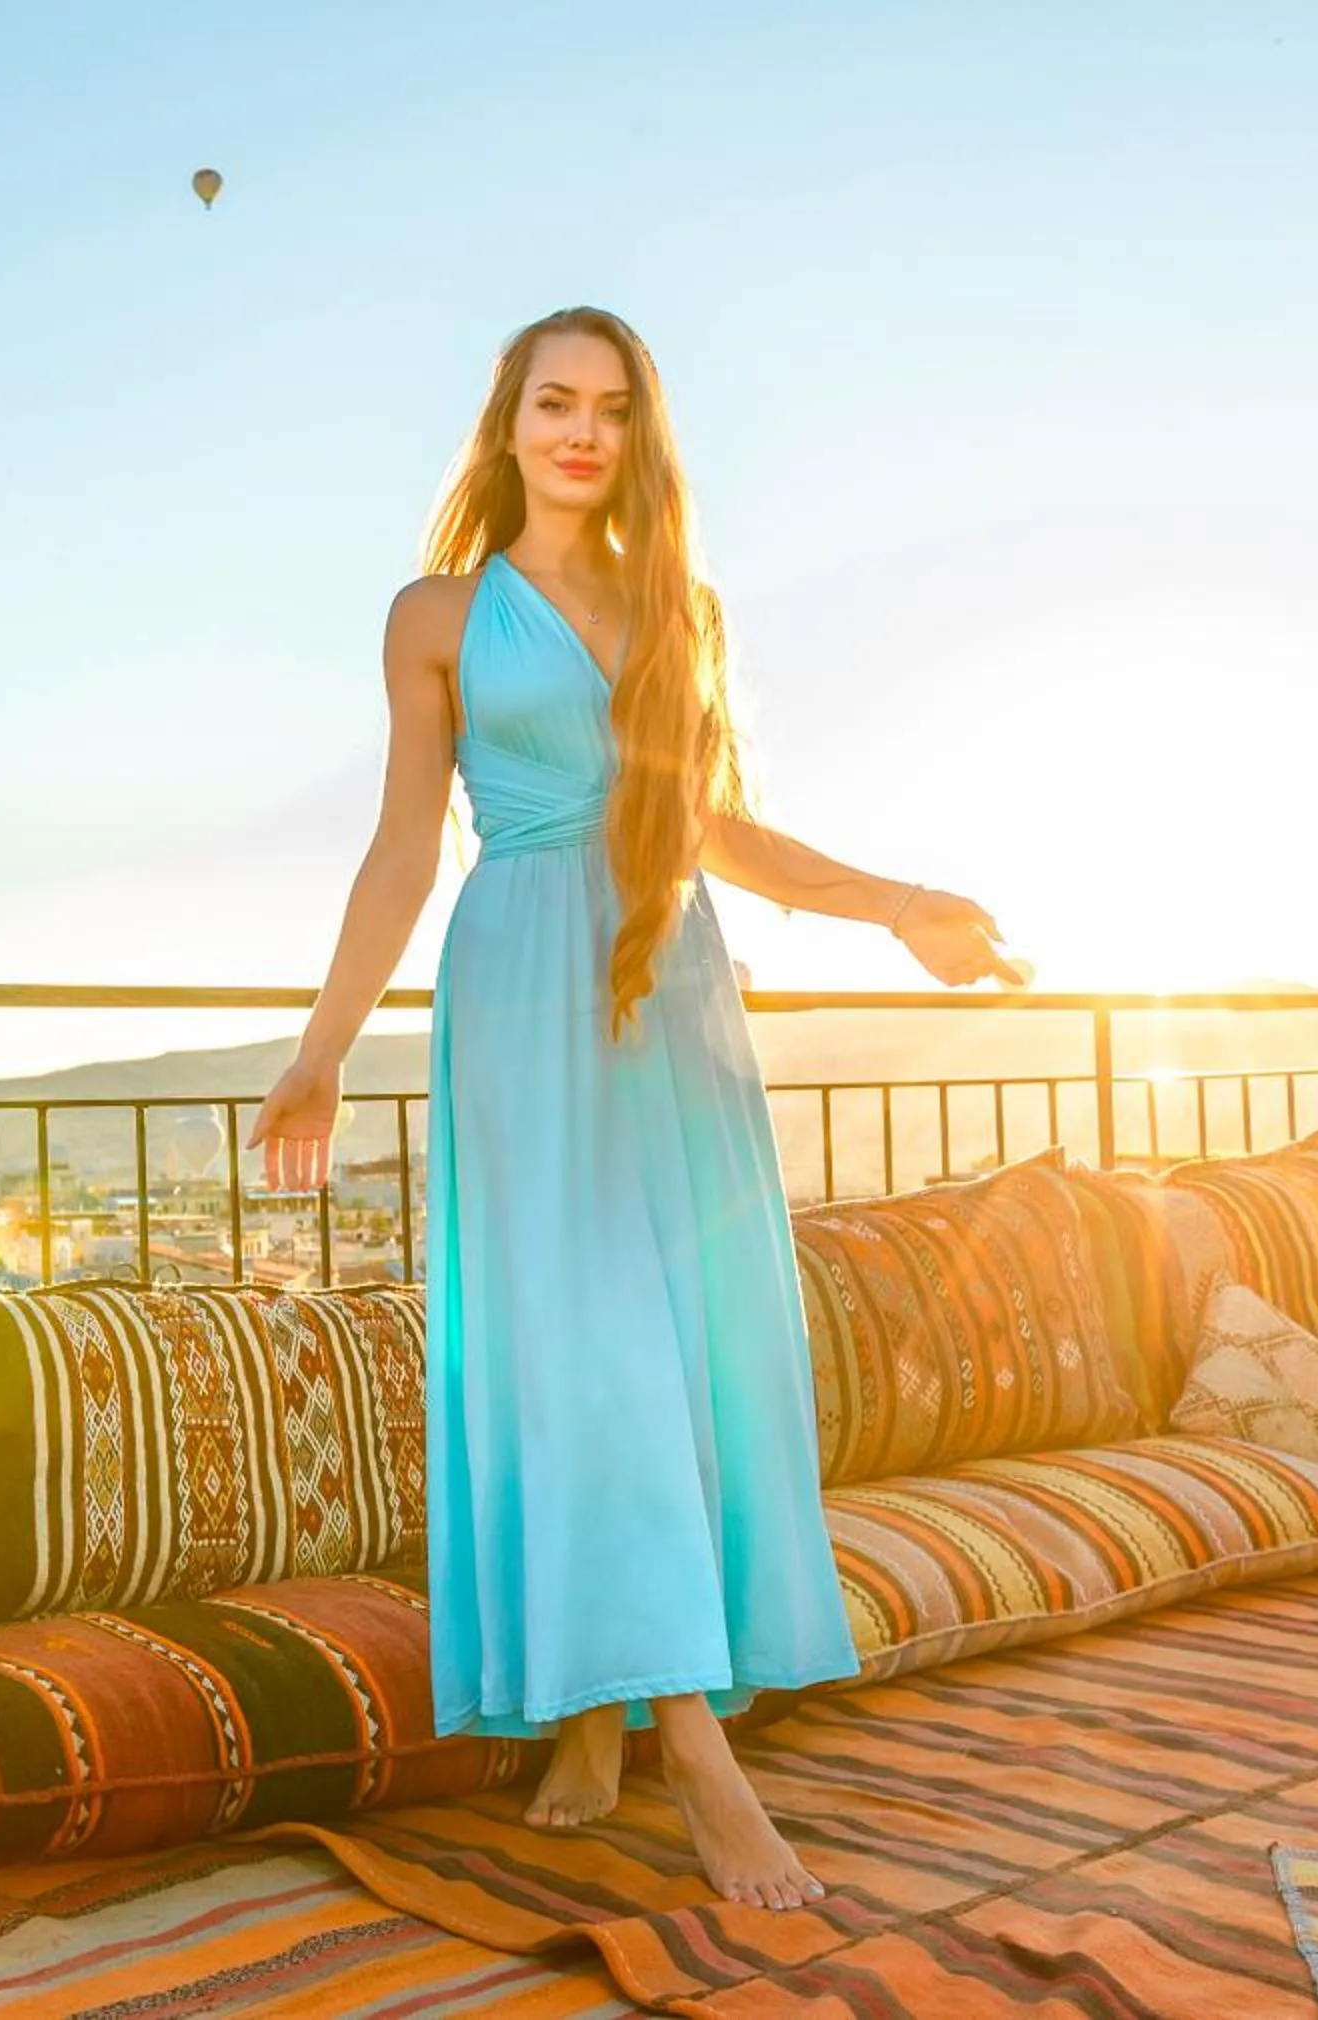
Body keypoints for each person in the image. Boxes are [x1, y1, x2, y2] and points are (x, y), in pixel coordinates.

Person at [244, 306, 1029, 1912]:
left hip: (669, 987)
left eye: (609, 408)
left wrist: (902, 905)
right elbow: (404, 844)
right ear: (508, 422)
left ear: (637, 434)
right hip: (525, 986)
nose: (580, 432)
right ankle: (698, 1754)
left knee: (678, 1348)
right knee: (580, 1352)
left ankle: (598, 1714)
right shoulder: (438, 614)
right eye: (553, 404)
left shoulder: (681, 605)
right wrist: (322, 1042)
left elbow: (714, 826)